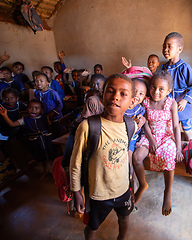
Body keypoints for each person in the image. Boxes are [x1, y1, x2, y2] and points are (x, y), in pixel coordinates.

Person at [70, 73, 137, 240]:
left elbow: (125, 156)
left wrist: (131, 183)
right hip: (98, 193)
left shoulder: (131, 125)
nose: (115, 97)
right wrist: (76, 192)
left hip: (123, 189)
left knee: (124, 217)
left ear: (132, 102)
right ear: (101, 96)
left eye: (123, 94)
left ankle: (121, 238)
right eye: (110, 91)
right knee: (92, 226)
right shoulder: (88, 127)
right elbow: (76, 162)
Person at [132, 70, 184, 216]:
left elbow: (175, 127)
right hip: (149, 135)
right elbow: (145, 123)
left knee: (169, 156)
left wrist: (178, 148)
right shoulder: (146, 102)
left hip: (166, 136)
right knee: (136, 157)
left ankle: (167, 192)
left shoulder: (171, 103)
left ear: (169, 91)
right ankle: (142, 184)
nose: (156, 91)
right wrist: (151, 139)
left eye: (161, 89)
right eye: (153, 87)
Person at [0, 99, 56, 180]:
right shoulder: (24, 119)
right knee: (42, 158)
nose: (33, 110)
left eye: (36, 108)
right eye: (30, 108)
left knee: (51, 156)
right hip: (35, 142)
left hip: (47, 140)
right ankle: (46, 171)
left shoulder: (45, 118)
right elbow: (12, 124)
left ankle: (53, 173)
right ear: (27, 109)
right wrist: (5, 115)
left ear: (41, 110)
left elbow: (52, 127)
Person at [61, 74, 105, 170]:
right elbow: (85, 117)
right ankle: (67, 163)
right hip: (85, 127)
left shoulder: (105, 100)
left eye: (98, 84)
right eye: (93, 84)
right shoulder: (92, 98)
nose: (95, 87)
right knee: (73, 135)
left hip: (95, 128)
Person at [161, 32, 192, 141]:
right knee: (172, 128)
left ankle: (191, 144)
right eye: (164, 46)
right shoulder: (163, 68)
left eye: (169, 46)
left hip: (183, 106)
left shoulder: (185, 68)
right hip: (170, 105)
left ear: (179, 49)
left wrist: (185, 100)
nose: (165, 49)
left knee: (187, 129)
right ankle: (176, 148)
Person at [34, 72, 65, 138]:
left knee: (58, 133)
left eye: (41, 81)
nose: (39, 83)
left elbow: (60, 105)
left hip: (55, 117)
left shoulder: (52, 92)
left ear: (47, 82)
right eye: (37, 81)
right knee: (48, 134)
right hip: (44, 117)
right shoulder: (37, 93)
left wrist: (53, 113)